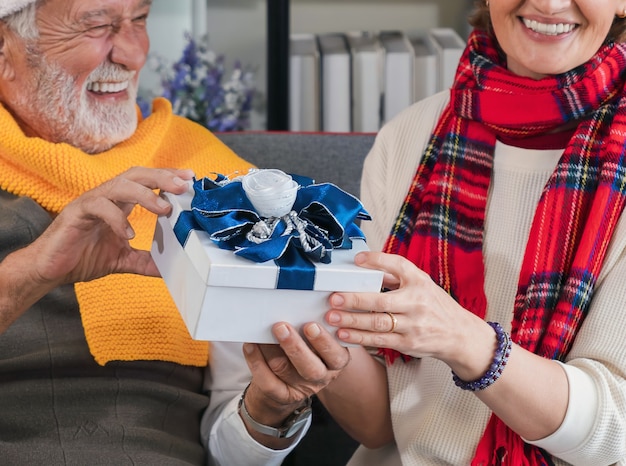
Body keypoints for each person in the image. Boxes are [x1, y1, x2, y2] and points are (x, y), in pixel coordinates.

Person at [0, 0, 349, 464]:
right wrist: (29, 274)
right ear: (6, 50)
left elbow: (228, 446)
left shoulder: (211, 185)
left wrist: (266, 412)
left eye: (140, 20)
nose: (133, 52)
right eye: (98, 25)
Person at [292, 0, 626, 464]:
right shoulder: (409, 134)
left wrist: (465, 341)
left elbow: (617, 432)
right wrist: (289, 308)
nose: (549, 4)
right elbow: (377, 425)